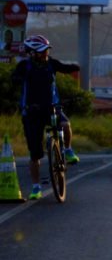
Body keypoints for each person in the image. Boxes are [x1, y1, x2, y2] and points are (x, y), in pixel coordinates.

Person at [11, 35, 81, 200]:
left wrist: (76, 67)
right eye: (42, 51)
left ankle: (68, 150)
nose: (45, 54)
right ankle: (36, 188)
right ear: (32, 53)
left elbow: (65, 67)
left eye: (46, 50)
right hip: (31, 112)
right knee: (34, 155)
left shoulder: (51, 64)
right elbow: (14, 78)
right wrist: (17, 79)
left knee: (65, 124)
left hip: (51, 108)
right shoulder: (24, 66)